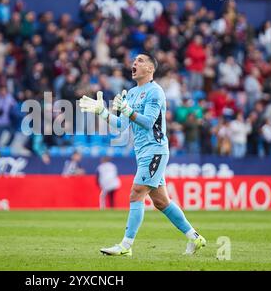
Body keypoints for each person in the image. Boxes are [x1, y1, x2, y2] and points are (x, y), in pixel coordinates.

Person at [80, 53, 206, 256]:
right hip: (143, 152)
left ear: (150, 68)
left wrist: (128, 111)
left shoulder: (155, 92)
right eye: (134, 61)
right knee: (161, 202)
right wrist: (102, 112)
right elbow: (122, 126)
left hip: (155, 150)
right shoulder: (130, 93)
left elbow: (148, 122)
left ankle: (126, 246)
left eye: (140, 60)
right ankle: (195, 237)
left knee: (136, 192)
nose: (134, 63)